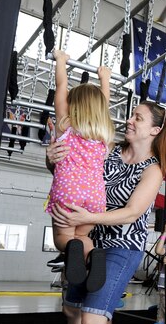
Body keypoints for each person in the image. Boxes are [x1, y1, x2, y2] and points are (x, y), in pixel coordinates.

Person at [40, 100, 166, 324]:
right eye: (131, 115)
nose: (129, 121)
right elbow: (76, 171)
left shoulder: (153, 170)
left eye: (137, 118)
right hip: (91, 242)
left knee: (93, 320)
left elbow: (131, 213)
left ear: (154, 130)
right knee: (71, 310)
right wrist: (51, 159)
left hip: (123, 247)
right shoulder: (109, 152)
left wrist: (86, 218)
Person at [45, 50, 115, 291]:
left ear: (73, 106)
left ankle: (71, 249)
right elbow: (103, 104)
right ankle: (92, 254)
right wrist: (104, 78)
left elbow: (61, 85)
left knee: (63, 239)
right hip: (95, 196)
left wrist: (62, 61)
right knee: (83, 237)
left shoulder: (66, 124)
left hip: (68, 191)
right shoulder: (103, 134)